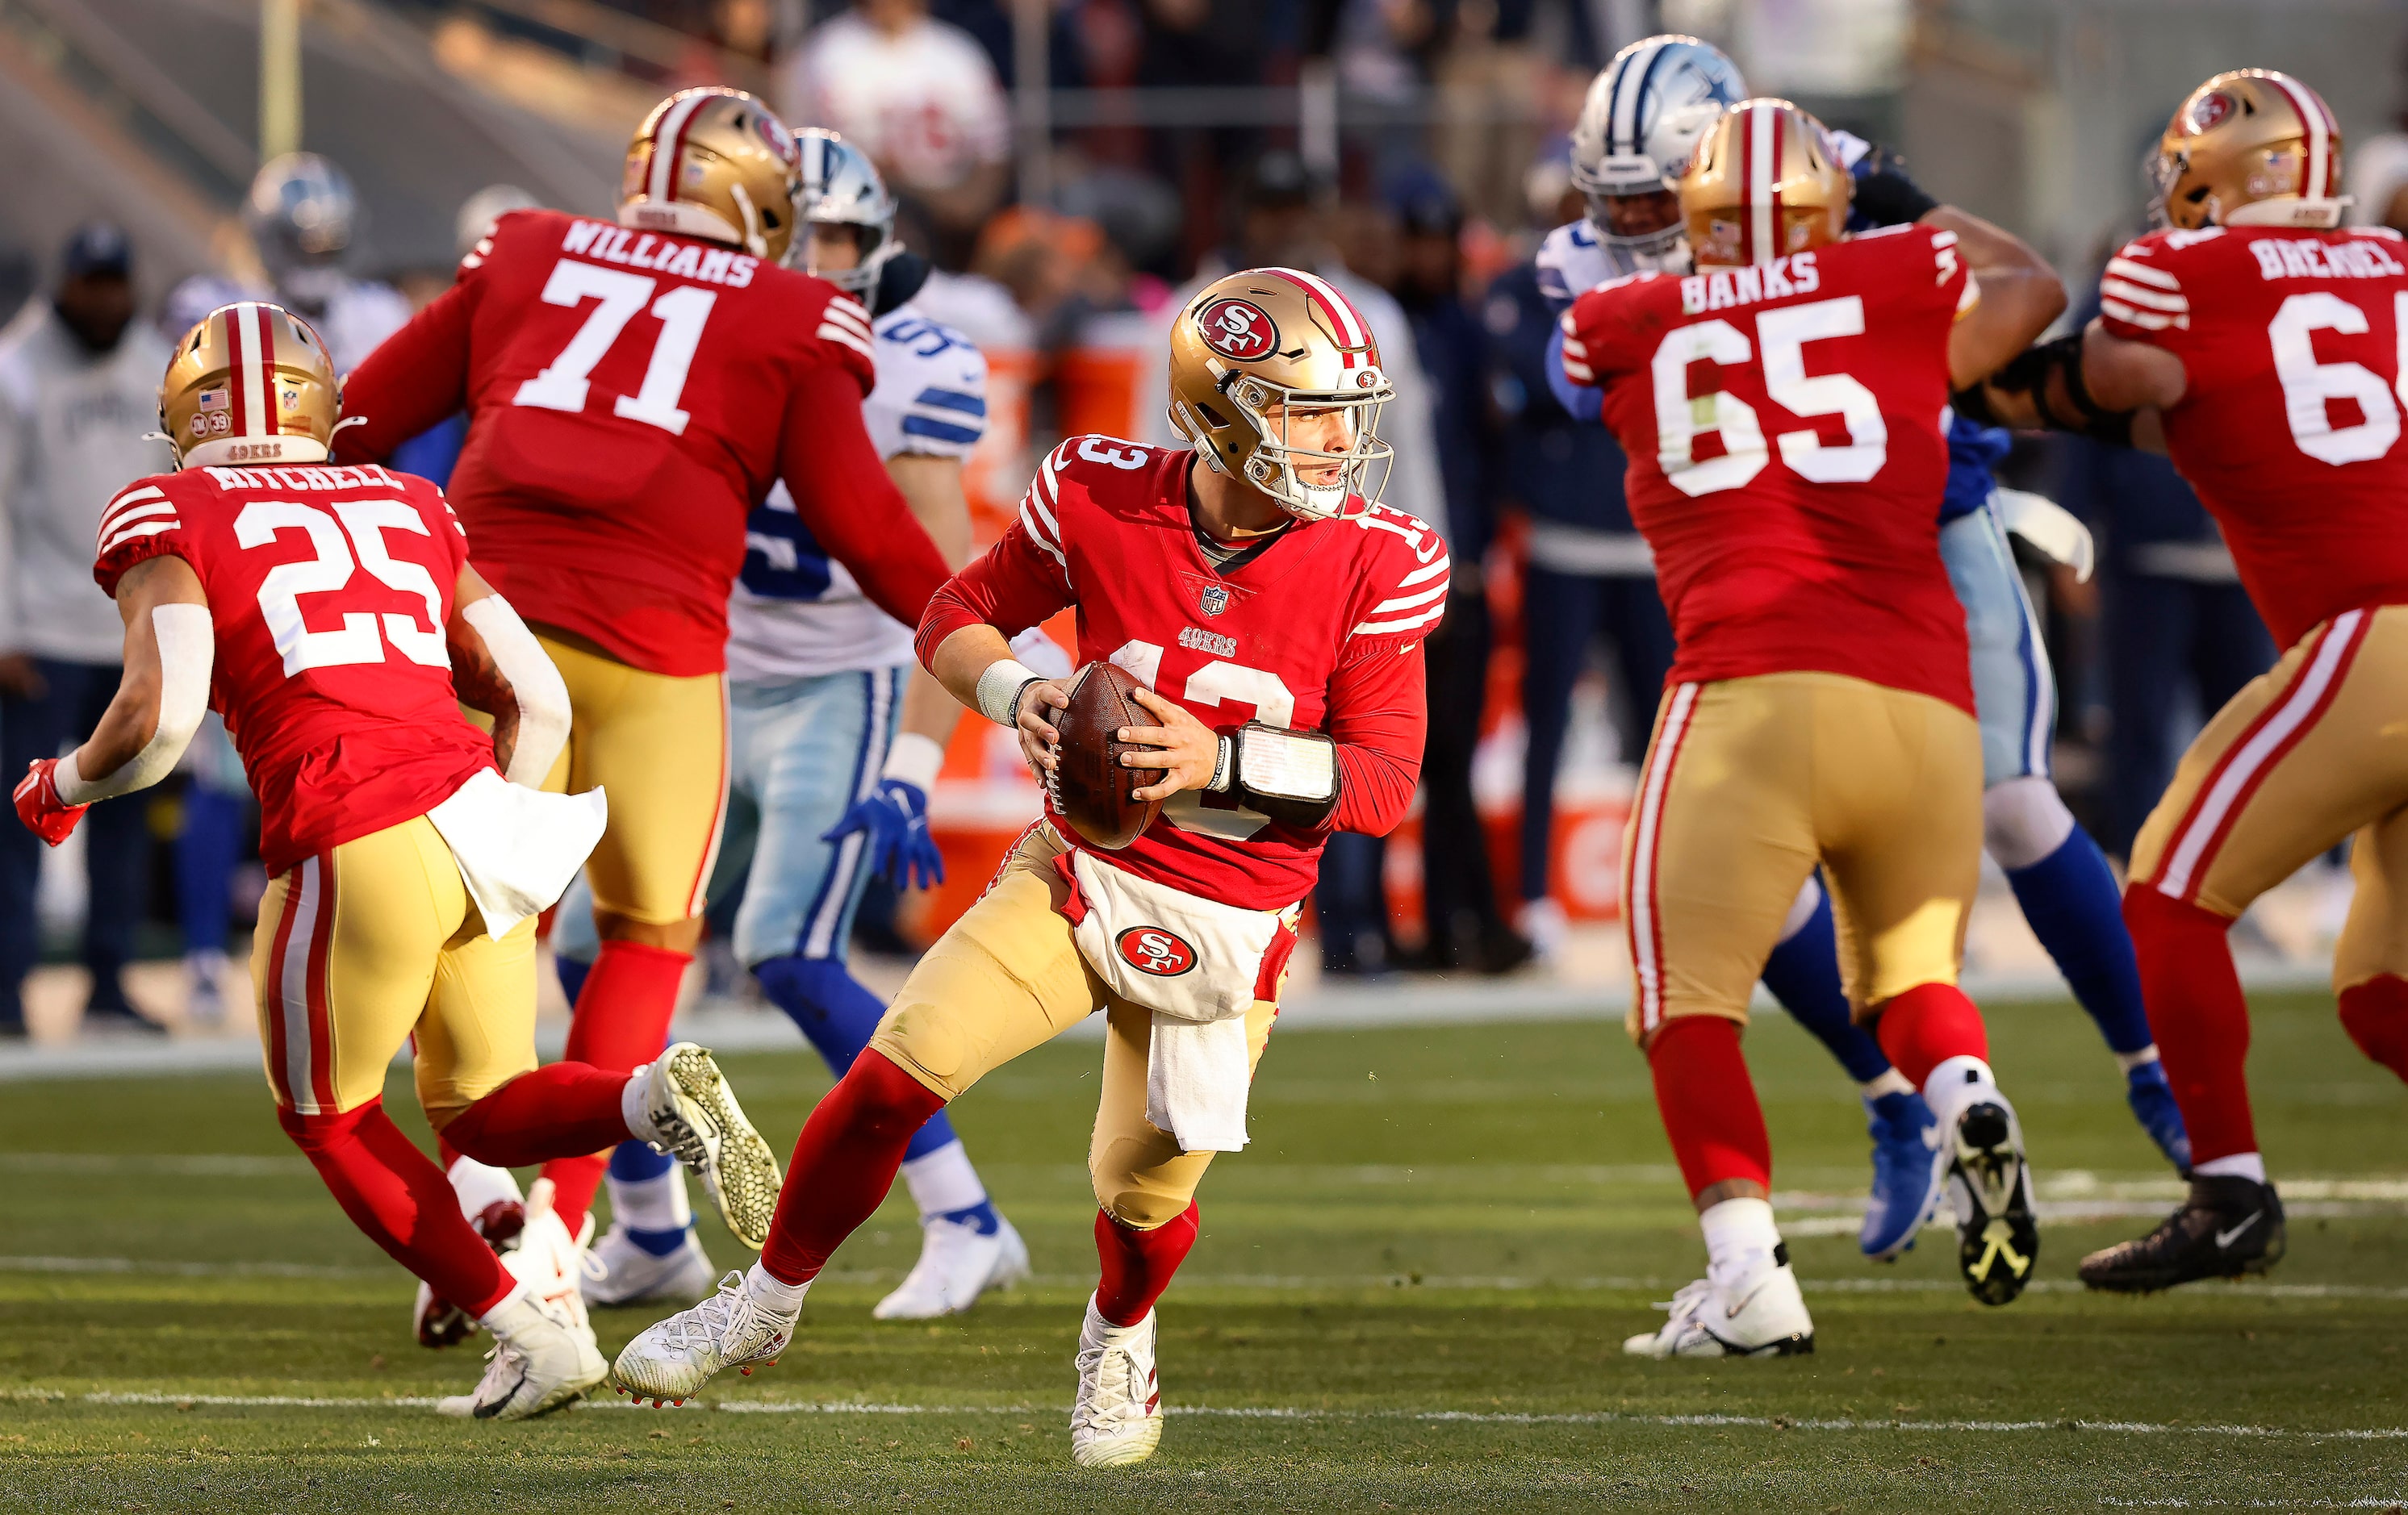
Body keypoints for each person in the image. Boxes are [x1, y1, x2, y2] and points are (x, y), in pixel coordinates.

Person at [610, 269, 1440, 1467]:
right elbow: (955, 613)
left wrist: (1228, 752)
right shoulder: (1102, 493)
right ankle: (765, 1301)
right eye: (1307, 413)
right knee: (903, 1068)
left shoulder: (1377, 557)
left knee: (1141, 1199)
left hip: (1231, 916)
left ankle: (1120, 1332)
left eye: (1342, 415)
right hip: (1084, 865)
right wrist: (1022, 691)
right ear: (1220, 408)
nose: (1336, 442)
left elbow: (1381, 784)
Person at [10, 300, 786, 1419]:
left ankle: (532, 1337)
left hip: (351, 830)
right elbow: (539, 697)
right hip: (475, 810)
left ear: (184, 414)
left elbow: (163, 716)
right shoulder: (406, 498)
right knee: (481, 1106)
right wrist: (494, 839)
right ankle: (647, 1097)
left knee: (327, 1113)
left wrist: (63, 783)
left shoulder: (165, 503)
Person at [1544, 36, 2187, 1263]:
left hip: (1913, 532)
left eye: (1653, 193)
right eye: (1613, 200)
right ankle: (1907, 1095)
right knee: (1796, 880)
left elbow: (1606, 372)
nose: (1628, 221)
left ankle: (2157, 1075)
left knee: (2010, 803)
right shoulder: (1816, 260)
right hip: (1802, 560)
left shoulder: (1654, 293)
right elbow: (2016, 292)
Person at [331, 87, 954, 1258]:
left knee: (470, 929)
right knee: (647, 934)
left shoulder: (525, 250)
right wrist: (988, 646)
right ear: (760, 201)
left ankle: (483, 1203)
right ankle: (563, 1231)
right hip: (660, 662)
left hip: (483, 636)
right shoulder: (795, 310)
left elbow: (355, 422)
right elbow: (869, 533)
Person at [1568, 97, 2066, 1353]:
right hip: (1924, 705)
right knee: (1912, 979)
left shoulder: (1618, 321)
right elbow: (2031, 283)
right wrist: (1890, 201)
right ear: (1833, 205)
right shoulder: (1901, 279)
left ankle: (1748, 1274)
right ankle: (1968, 1098)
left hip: (1749, 693)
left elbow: (1592, 362)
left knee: (1683, 1001)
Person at [551, 131, 1028, 1318]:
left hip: (840, 683)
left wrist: (918, 761)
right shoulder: (695, 342)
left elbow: (938, 584)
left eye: (847, 238)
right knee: (585, 942)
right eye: (801, 232)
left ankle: (966, 1214)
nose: (825, 261)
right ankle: (651, 1226)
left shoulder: (913, 367)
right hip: (703, 675)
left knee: (787, 950)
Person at [1960, 69, 2408, 1292]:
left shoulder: (2184, 274)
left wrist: (1972, 383)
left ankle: (2228, 1191)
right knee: (2380, 992)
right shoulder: (2390, 268)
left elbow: (2124, 382)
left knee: (2165, 889)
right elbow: (2214, 408)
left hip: (2376, 642)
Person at [0, 222, 175, 1037]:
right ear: (66, 285)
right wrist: (3, 627)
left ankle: (108, 983)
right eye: (91, 283)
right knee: (21, 819)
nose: (104, 298)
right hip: (39, 632)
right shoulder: (19, 367)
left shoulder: (152, 364)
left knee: (126, 816)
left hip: (128, 633)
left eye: (114, 282)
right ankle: (8, 989)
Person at [1385, 169, 1528, 975]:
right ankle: (1448, 926)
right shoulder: (1376, 325)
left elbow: (1487, 459)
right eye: (1417, 241)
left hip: (1455, 576)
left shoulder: (1469, 336)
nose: (1427, 256)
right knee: (1407, 762)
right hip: (1385, 580)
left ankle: (1460, 924)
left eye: (1437, 241)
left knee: (1449, 763)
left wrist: (1470, 557)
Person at [777, 0, 1011, 260]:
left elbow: (994, 152)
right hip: (863, 210)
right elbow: (800, 148)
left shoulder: (958, 52)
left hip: (956, 217)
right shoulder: (824, 53)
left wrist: (970, 205)